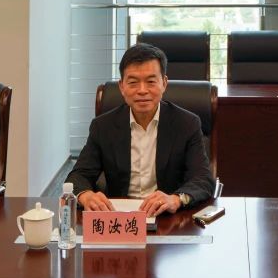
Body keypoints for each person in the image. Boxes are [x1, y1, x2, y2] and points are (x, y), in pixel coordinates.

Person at [67, 43, 214, 217]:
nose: (142, 91)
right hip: (119, 217)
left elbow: (203, 179)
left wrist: (175, 199)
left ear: (164, 83)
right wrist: (86, 196)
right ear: (122, 87)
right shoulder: (103, 126)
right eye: (133, 82)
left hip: (167, 217)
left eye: (151, 81)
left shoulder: (187, 123)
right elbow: (78, 176)